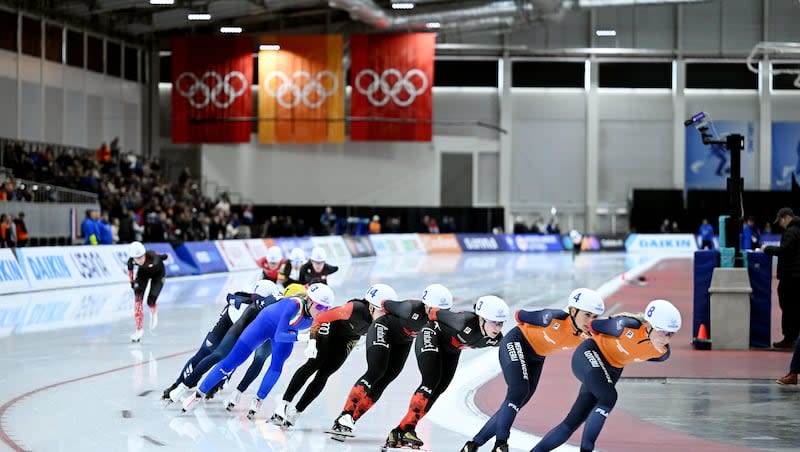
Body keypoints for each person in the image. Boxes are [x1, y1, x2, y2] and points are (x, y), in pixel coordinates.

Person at [461, 288, 605, 452]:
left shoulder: (588, 336)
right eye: (587, 315)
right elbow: (519, 315)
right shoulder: (552, 318)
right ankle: (500, 444)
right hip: (517, 342)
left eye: (595, 317)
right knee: (518, 391)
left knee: (518, 402)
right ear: (573, 310)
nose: (591, 321)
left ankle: (472, 445)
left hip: (537, 357)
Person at [530, 299, 681, 452]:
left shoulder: (662, 353)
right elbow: (592, 326)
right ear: (649, 326)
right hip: (590, 354)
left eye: (671, 334)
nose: (666, 339)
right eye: (662, 332)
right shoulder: (625, 326)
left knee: (572, 422)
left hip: (611, 370)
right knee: (609, 397)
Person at [182, 283, 337, 418]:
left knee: (277, 365)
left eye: (326, 308)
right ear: (309, 301)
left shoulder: (320, 314)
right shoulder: (293, 305)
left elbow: (318, 330)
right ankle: (198, 394)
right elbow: (279, 334)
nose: (323, 311)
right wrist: (304, 338)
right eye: (321, 307)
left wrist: (312, 343)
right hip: (265, 325)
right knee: (232, 361)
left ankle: (258, 399)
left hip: (286, 333)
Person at [326, 284, 452, 441]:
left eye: (443, 311)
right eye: (435, 310)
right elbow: (385, 303)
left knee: (386, 379)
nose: (438, 314)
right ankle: (345, 414)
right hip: (383, 328)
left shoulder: (441, 319)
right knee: (376, 371)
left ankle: (349, 421)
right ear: (425, 305)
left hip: (403, 341)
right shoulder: (409, 307)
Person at [387, 295, 510, 450]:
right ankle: (406, 429)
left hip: (451, 351)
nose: (497, 328)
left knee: (439, 388)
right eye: (494, 322)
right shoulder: (462, 321)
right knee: (430, 382)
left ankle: (401, 430)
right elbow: (433, 312)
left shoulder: (496, 339)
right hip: (431, 335)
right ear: (481, 319)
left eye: (501, 323)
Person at [271, 283, 399, 428]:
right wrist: (313, 341)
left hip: (349, 338)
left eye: (387, 313)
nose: (384, 317)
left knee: (325, 373)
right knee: (314, 363)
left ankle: (297, 411)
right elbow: (321, 318)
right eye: (381, 312)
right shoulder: (353, 309)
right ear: (370, 306)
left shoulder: (386, 319)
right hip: (329, 328)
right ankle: (283, 404)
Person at [169, 283, 305, 405]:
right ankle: (181, 384)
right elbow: (236, 298)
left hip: (257, 328)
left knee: (256, 359)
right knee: (214, 354)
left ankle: (230, 389)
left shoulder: (280, 304)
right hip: (234, 322)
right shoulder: (273, 301)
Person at [761, 207, 800, 349]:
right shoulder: (798, 229)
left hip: (791, 276)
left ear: (786, 217)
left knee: (788, 307)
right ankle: (794, 337)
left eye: (781, 221)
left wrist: (767, 249)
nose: (780, 224)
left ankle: (789, 339)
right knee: (795, 307)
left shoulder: (791, 231)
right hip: (796, 276)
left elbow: (784, 250)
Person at [127, 241, 168, 342]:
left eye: (141, 257)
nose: (139, 260)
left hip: (158, 274)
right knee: (138, 302)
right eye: (137, 258)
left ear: (144, 254)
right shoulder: (131, 261)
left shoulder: (152, 256)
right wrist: (132, 283)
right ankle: (139, 330)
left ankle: (153, 311)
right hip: (143, 275)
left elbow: (163, 256)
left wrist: (165, 256)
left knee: (151, 301)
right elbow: (130, 273)